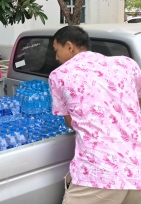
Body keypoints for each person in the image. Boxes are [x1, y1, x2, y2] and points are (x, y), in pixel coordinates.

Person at [49, 25, 141, 204]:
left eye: (56, 50)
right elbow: (137, 103)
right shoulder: (127, 64)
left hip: (97, 175)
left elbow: (71, 121)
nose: (56, 57)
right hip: (137, 170)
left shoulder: (59, 75)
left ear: (69, 46)